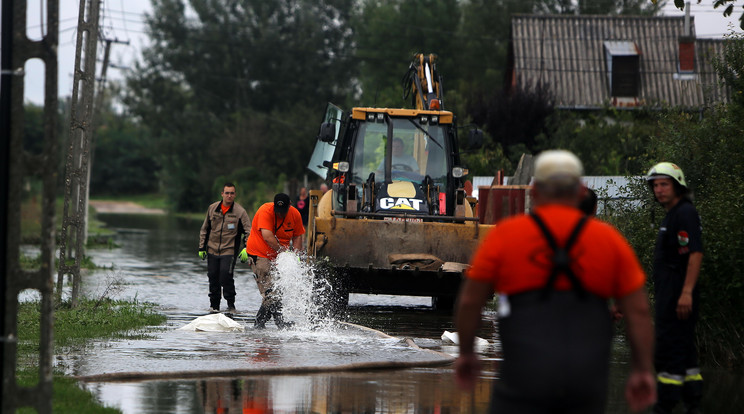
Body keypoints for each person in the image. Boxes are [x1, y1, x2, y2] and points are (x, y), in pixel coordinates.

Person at [454, 150, 656, 413]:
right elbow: (639, 313)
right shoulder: (610, 242)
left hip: (522, 382)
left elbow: (470, 301)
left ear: (535, 191)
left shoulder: (506, 237)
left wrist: (467, 354)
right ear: (582, 192)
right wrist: (642, 369)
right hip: (584, 385)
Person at [646, 162, 704, 414]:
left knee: (667, 352)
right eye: (655, 185)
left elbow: (695, 253)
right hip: (671, 296)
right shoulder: (672, 214)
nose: (659, 190)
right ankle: (694, 404)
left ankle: (664, 405)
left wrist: (686, 292)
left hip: (678, 298)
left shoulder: (684, 213)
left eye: (664, 184)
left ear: (677, 185)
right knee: (685, 355)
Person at [244, 193, 306, 329]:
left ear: (289, 206)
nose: (280, 215)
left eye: (283, 212)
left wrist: (296, 256)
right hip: (259, 254)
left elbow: (297, 236)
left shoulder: (295, 214)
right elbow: (267, 237)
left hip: (278, 257)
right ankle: (278, 322)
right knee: (271, 291)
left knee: (277, 289)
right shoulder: (265, 211)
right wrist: (284, 252)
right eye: (278, 212)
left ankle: (262, 323)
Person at [198, 183, 252, 313]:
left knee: (225, 276)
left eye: (232, 193)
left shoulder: (240, 212)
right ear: (222, 194)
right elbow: (204, 228)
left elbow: (249, 231)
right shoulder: (212, 208)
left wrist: (246, 248)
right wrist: (201, 247)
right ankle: (214, 306)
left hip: (229, 251)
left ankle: (231, 306)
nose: (229, 195)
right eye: (227, 193)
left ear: (235, 195)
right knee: (212, 277)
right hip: (212, 249)